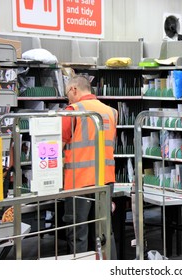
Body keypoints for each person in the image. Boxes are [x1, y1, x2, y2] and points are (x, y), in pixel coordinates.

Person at [61, 75, 118, 256]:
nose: (67, 99)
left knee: (78, 234)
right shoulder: (111, 111)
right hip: (105, 181)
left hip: (79, 182)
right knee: (103, 232)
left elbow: (54, 147)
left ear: (74, 90)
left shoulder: (73, 111)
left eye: (67, 94)